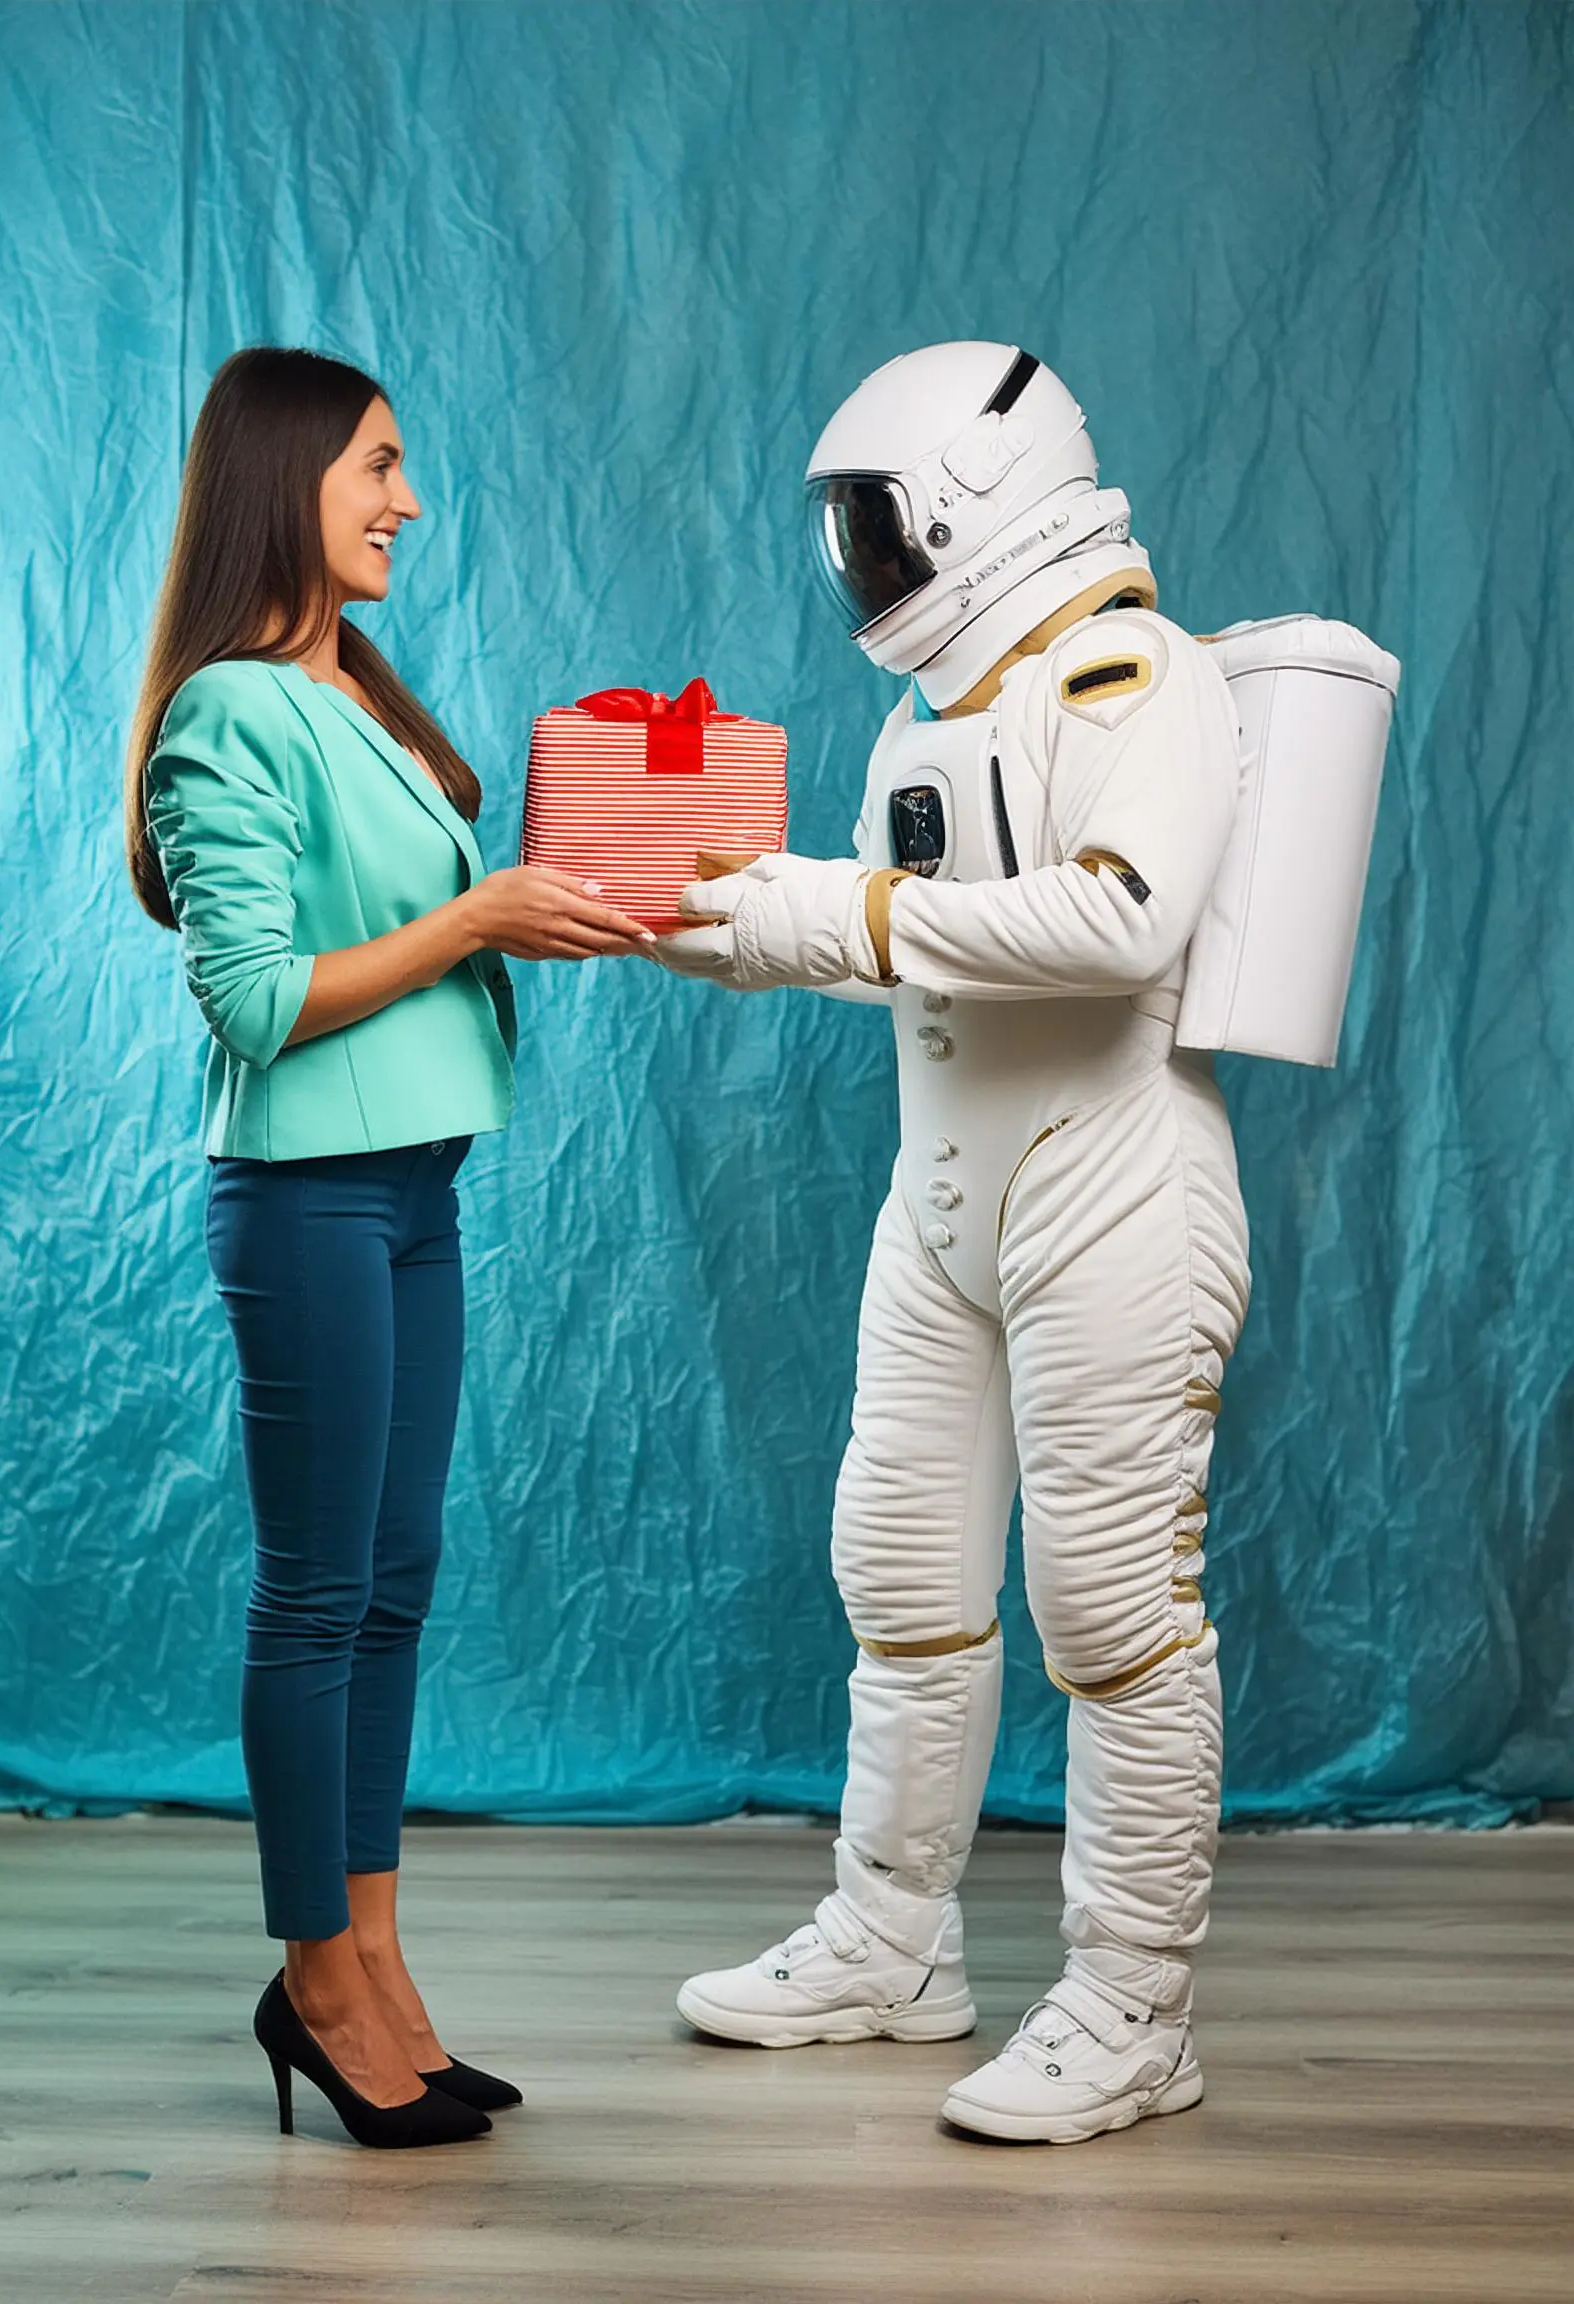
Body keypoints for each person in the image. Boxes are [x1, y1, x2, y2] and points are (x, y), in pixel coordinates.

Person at [656, 342, 1252, 2145]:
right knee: (901, 1583)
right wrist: (746, 927)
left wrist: (827, 914)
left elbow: (1120, 921)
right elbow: (910, 945)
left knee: (1114, 1618)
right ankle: (891, 1943)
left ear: (978, 507)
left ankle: (1133, 2006)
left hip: (1114, 1193)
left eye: (881, 528)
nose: (867, 567)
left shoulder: (1146, 677)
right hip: (944, 1206)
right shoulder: (922, 722)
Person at [124, 346, 652, 2148]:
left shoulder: (353, 692)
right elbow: (262, 1004)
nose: (407, 500)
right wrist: (480, 912)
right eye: (377, 466)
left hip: (417, 1185)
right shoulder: (225, 712)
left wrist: (550, 907)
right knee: (317, 1595)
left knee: (397, 1586)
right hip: (310, 1197)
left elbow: (424, 933)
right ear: (287, 479)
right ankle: (317, 1982)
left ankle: (381, 1967)